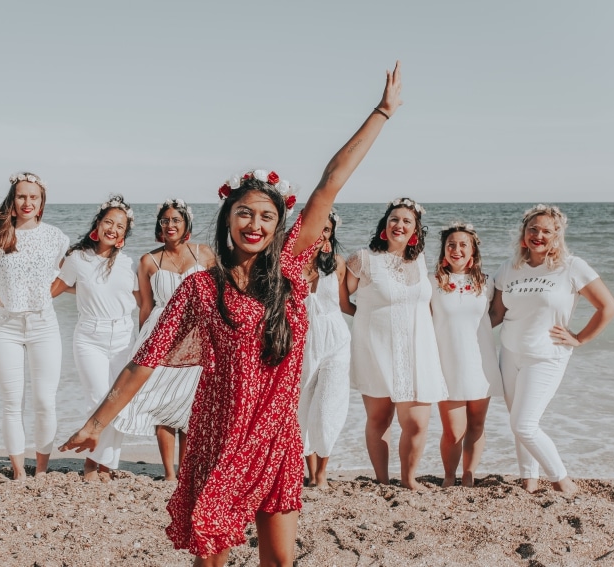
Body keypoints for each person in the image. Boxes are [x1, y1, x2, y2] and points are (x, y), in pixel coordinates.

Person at [60, 62, 403, 566]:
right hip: (221, 433)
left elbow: (330, 184)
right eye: (244, 213)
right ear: (228, 219)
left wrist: (381, 112)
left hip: (277, 435)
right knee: (212, 558)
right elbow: (145, 360)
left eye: (267, 216)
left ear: (278, 226)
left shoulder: (288, 270)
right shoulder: (200, 288)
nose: (255, 223)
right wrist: (97, 421)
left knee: (280, 561)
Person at [489, 204, 614, 493]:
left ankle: (562, 481)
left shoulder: (572, 266)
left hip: (546, 356)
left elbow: (608, 307)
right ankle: (529, 482)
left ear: (556, 235)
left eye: (547, 230)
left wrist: (580, 338)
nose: (538, 235)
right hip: (509, 354)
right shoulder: (509, 268)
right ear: (524, 233)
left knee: (524, 424)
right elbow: (496, 315)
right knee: (517, 422)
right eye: (533, 229)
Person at [346, 197, 447, 491]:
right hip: (376, 348)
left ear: (415, 229)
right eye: (394, 219)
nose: (399, 225)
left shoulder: (421, 259)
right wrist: (364, 320)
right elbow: (341, 299)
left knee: (416, 423)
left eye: (406, 221)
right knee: (379, 419)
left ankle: (409, 478)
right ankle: (382, 479)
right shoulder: (363, 259)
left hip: (417, 350)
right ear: (384, 226)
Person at [112, 199, 215, 481]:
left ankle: (186, 472)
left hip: (196, 336)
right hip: (161, 337)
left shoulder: (204, 255)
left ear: (186, 226)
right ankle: (170, 473)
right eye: (165, 221)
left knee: (191, 405)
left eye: (175, 220)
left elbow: (218, 298)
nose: (170, 225)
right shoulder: (149, 260)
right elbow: (145, 306)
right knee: (161, 401)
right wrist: (144, 344)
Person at [0, 172, 69, 480]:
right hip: (5, 325)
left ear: (42, 201)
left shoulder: (56, 237)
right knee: (11, 400)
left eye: (34, 197)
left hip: (44, 325)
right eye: (22, 196)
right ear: (13, 200)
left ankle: (42, 469)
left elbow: (67, 277)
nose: (27, 202)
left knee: (45, 400)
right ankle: (19, 471)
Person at [50, 195, 140, 482]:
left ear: (124, 234)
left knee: (119, 401)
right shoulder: (78, 259)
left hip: (125, 336)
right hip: (89, 336)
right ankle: (93, 464)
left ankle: (106, 465)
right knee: (97, 398)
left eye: (120, 226)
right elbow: (54, 289)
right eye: (108, 222)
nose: (113, 229)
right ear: (98, 225)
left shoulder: (129, 264)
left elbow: (142, 300)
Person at [430, 222, 502, 488]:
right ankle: (449, 476)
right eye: (451, 245)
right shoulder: (432, 283)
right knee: (453, 430)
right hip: (446, 364)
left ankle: (469, 475)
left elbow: (495, 316)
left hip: (480, 361)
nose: (456, 249)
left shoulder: (487, 283)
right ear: (444, 251)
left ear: (473, 250)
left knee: (476, 425)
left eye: (462, 245)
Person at [298, 209, 355, 489]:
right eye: (318, 227)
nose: (322, 233)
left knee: (327, 407)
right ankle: (310, 472)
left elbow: (345, 305)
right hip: (300, 343)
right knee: (302, 407)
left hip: (336, 341)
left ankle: (322, 474)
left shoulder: (338, 264)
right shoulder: (289, 263)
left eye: (327, 229)